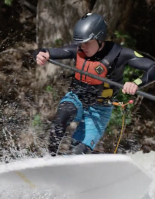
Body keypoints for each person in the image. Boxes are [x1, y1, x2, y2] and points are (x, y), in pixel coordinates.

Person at [34, 13, 155, 156]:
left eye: (86, 42)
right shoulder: (78, 50)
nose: (82, 46)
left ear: (99, 38)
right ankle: (49, 157)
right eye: (80, 42)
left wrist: (137, 83)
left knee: (79, 152)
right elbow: (46, 51)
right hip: (76, 98)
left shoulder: (121, 53)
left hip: (100, 109)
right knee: (64, 113)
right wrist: (42, 54)